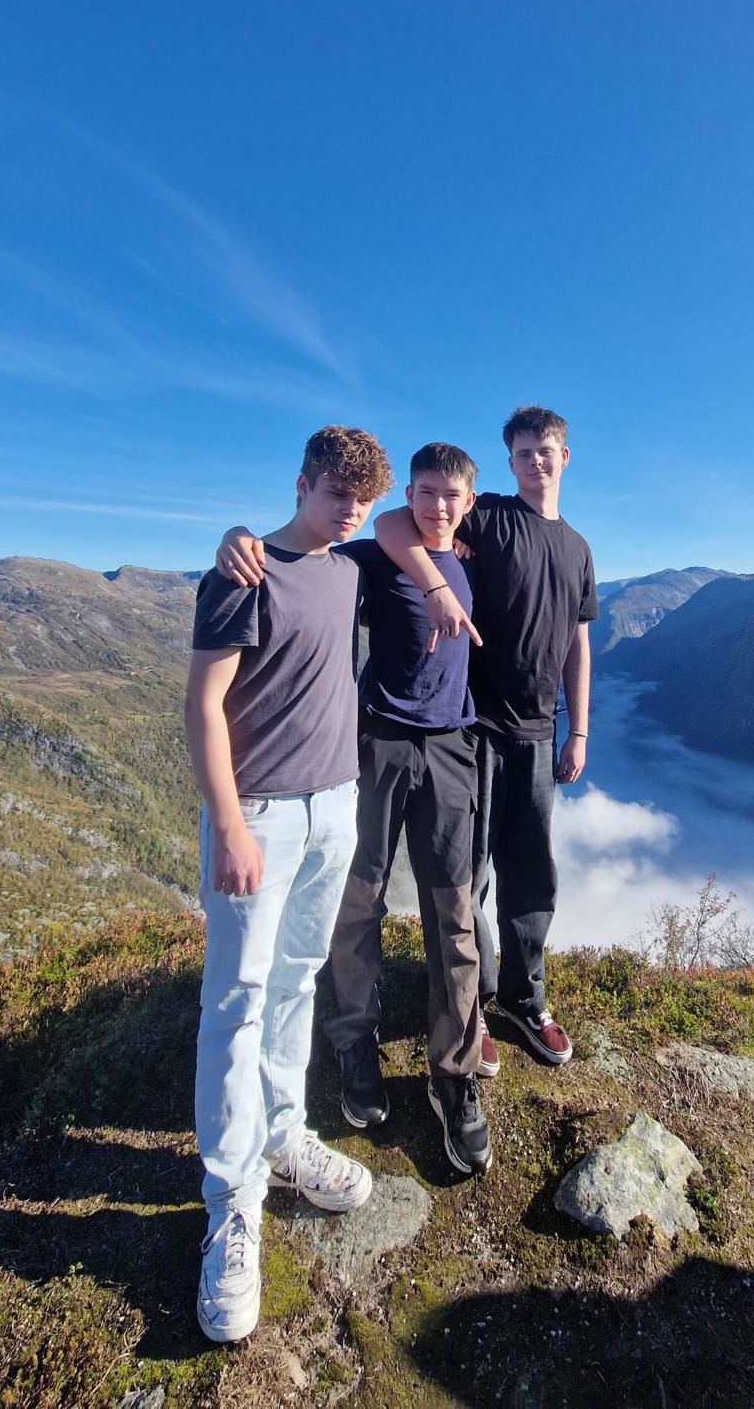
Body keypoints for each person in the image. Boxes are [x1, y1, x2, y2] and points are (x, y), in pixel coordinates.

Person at [216, 443, 498, 1178]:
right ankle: (353, 1044)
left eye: (452, 495)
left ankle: (454, 1073)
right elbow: (317, 550)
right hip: (371, 745)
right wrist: (237, 539)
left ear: (470, 500)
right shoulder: (373, 559)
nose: (439, 505)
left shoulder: (477, 556)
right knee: (356, 903)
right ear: (410, 494)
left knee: (453, 912)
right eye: (427, 492)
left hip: (451, 750)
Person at [185, 425, 392, 1345]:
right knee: (234, 1000)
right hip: (262, 815)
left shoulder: (351, 568)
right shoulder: (240, 573)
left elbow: (424, 544)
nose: (349, 509)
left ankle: (283, 1137)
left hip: (334, 807)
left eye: (363, 499)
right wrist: (229, 822)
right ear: (302, 483)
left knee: (296, 982)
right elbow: (201, 705)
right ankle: (231, 1207)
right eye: (336, 492)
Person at [371, 406, 596, 1066]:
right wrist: (438, 586)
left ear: (565, 455)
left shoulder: (579, 548)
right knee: (466, 876)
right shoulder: (491, 516)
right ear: (509, 463)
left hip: (536, 729)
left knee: (532, 873)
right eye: (523, 452)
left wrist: (577, 730)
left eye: (545, 450)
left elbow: (578, 645)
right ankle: (471, 1003)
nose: (535, 462)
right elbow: (391, 521)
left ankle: (526, 1002)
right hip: (473, 726)